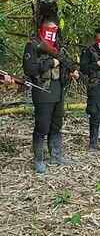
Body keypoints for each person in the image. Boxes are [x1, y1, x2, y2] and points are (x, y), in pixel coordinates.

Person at [23, 10, 79, 174]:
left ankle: (56, 155)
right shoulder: (33, 44)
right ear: (43, 28)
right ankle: (39, 161)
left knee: (56, 125)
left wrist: (72, 70)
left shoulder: (56, 46)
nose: (53, 33)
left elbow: (65, 62)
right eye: (51, 29)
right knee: (42, 127)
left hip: (58, 90)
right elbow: (29, 69)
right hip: (43, 91)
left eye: (55, 30)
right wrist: (50, 63)